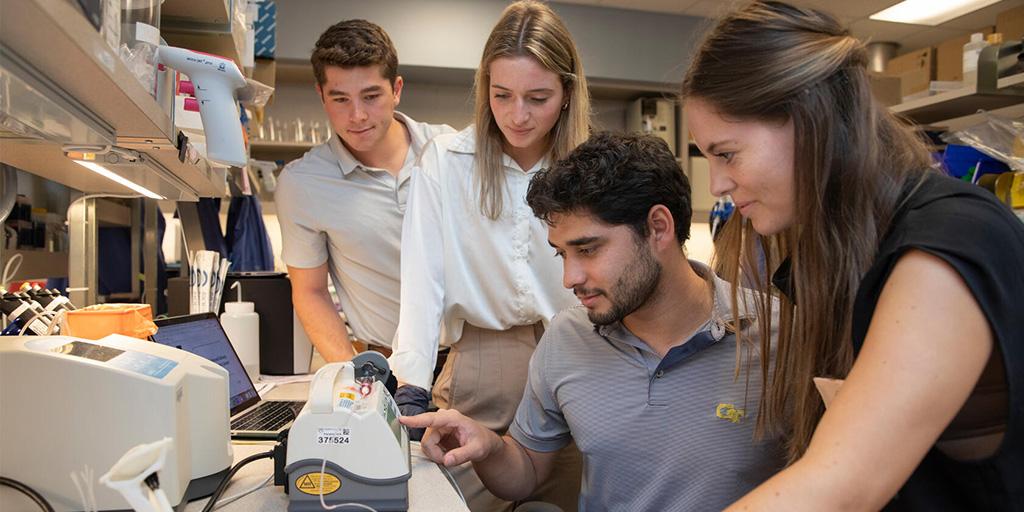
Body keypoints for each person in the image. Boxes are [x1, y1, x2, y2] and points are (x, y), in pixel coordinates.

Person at [681, 2, 1024, 510]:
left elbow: (838, 489)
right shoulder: (844, 252)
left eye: (726, 153)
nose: (719, 184)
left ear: (809, 121)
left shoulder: (947, 246)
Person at [401, 132, 785, 510]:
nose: (570, 278)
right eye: (561, 255)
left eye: (588, 249)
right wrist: (487, 447)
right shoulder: (567, 338)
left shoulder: (779, 335)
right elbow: (527, 471)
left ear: (658, 227)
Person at [388, 1, 589, 510]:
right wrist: (410, 381)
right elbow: (423, 282)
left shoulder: (591, 168)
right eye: (502, 95)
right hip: (481, 365)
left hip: (578, 362)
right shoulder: (447, 162)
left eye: (538, 97)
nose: (518, 115)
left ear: (567, 93)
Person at [275, 20, 453, 362]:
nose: (357, 115)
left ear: (396, 89)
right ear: (321, 96)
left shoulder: (450, 150)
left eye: (371, 97)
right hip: (387, 365)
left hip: (472, 363)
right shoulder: (302, 183)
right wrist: (349, 375)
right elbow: (310, 292)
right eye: (340, 99)